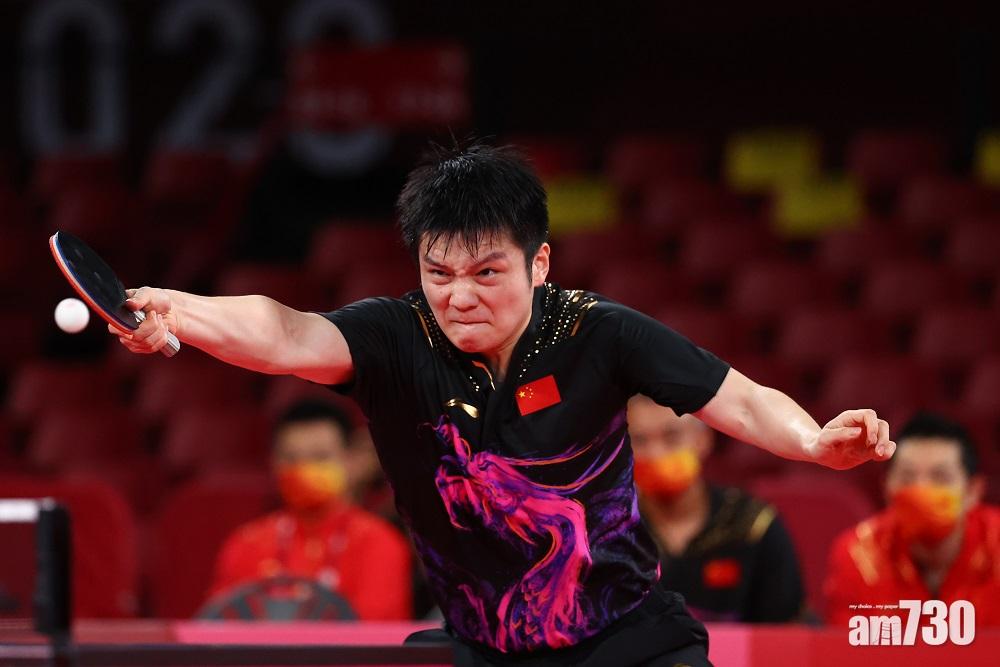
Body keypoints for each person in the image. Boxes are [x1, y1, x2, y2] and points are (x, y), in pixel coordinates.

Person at [112, 141, 893, 666]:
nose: (460, 297)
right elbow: (282, 332)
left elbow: (739, 400)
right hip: (480, 648)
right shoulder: (395, 337)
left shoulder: (596, 332)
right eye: (439, 272)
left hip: (626, 641)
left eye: (487, 273)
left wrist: (812, 441)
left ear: (538, 262)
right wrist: (180, 311)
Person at [207, 399, 413, 620]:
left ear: (351, 461)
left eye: (320, 457)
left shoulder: (380, 543)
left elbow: (377, 634)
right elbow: (219, 626)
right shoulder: (246, 544)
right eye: (291, 458)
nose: (303, 469)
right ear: (273, 462)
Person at [627, 395, 804, 623]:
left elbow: (787, 632)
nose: (655, 453)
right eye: (640, 441)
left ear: (703, 440)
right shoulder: (610, 530)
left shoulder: (752, 525)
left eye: (672, 437)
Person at [823, 412, 1000, 627]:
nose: (921, 489)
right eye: (907, 477)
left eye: (940, 477)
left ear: (973, 491)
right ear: (886, 488)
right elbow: (846, 645)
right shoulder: (856, 553)